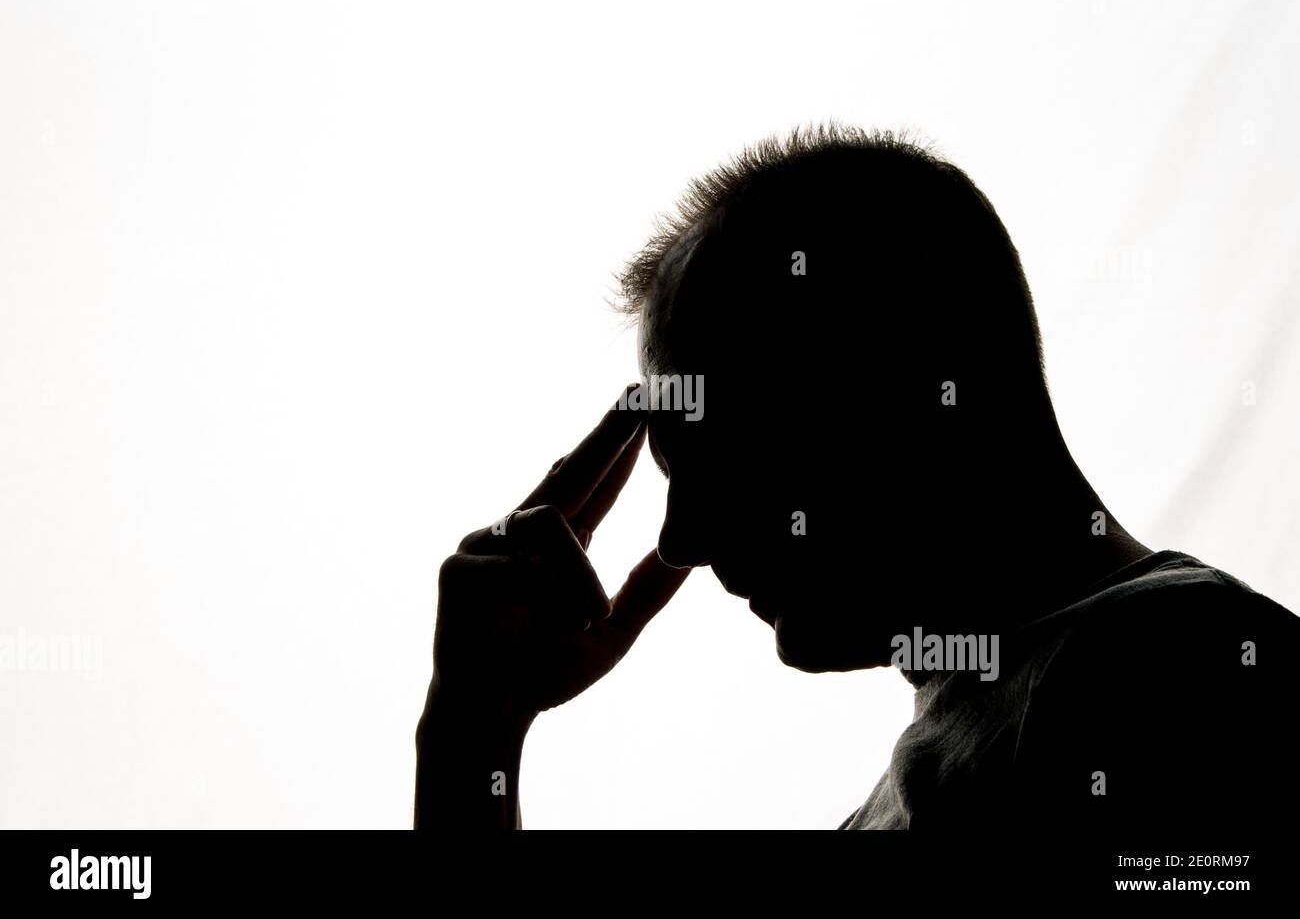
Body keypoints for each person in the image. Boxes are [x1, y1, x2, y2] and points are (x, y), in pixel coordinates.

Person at [415, 123, 1299, 831]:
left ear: (919, 376)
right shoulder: (1007, 738)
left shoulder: (1178, 678)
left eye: (728, 449)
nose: (684, 540)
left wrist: (467, 743)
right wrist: (472, 736)